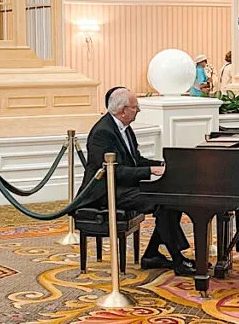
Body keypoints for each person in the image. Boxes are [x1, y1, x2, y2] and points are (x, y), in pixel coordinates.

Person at [78, 87, 195, 275]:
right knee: (162, 202)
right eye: (135, 107)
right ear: (123, 110)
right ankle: (178, 260)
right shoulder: (102, 132)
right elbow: (113, 172)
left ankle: (152, 255)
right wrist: (150, 170)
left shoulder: (124, 127)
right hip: (105, 191)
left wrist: (165, 165)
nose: (138, 110)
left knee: (169, 200)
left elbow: (135, 160)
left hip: (123, 186)